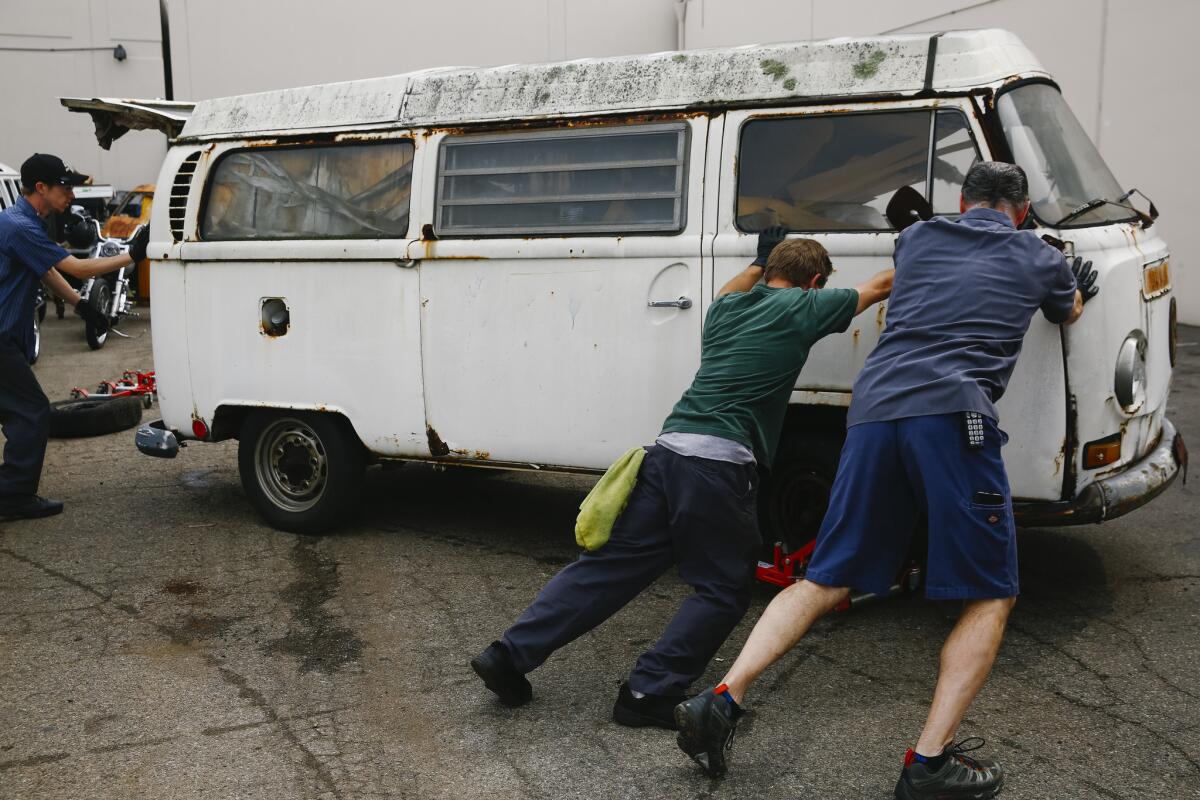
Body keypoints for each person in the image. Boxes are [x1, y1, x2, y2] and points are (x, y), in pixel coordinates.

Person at [674, 161, 1099, 800]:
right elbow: (1066, 311)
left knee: (824, 577)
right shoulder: (1037, 254)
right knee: (990, 593)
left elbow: (920, 259)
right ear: (1023, 207)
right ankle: (929, 765)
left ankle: (721, 699)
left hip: (873, 413)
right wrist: (1076, 286)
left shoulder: (920, 239)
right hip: (955, 417)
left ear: (961, 199)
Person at [470, 226, 894, 729]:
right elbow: (883, 286)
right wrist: (938, 244)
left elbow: (728, 289)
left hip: (667, 452)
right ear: (815, 281)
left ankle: (508, 655)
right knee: (723, 588)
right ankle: (648, 692)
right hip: (717, 464)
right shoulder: (803, 307)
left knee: (609, 568)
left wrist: (759, 264)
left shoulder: (727, 311)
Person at [0, 153, 149, 522]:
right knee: (32, 411)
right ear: (41, 188)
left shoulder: (22, 223)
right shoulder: (20, 226)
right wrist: (132, 255)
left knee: (17, 410)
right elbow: (77, 266)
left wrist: (81, 305)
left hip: (8, 338)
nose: (71, 195)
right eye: (65, 187)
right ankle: (14, 495)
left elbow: (47, 271)